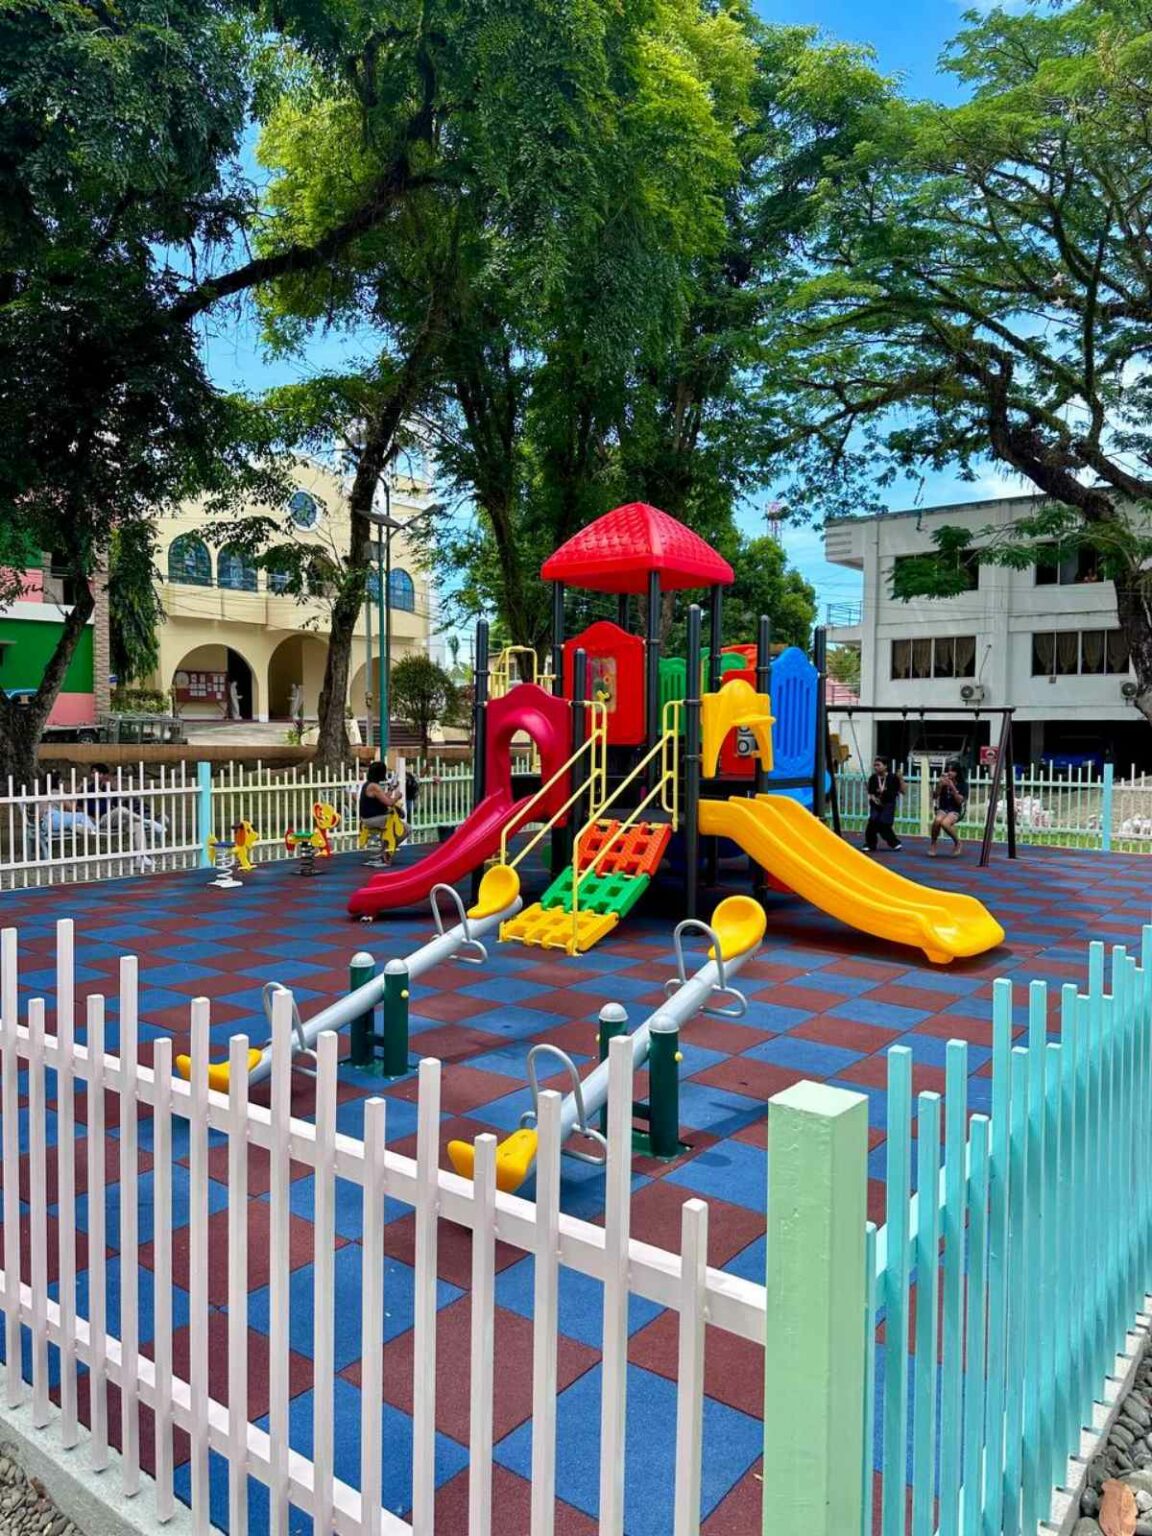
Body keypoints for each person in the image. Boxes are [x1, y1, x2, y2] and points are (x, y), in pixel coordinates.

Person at [83, 765, 168, 870]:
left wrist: (110, 790)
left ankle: (141, 857)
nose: (95, 775)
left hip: (115, 819)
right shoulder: (88, 788)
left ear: (104, 775)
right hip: (100, 820)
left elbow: (118, 802)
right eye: (93, 773)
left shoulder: (108, 788)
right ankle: (148, 822)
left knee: (136, 824)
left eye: (99, 773)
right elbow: (81, 807)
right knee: (121, 809)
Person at [359, 762, 408, 866]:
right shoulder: (374, 786)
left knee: (400, 827)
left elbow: (383, 798)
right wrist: (397, 797)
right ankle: (386, 852)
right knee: (405, 829)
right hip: (371, 819)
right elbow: (389, 802)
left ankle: (384, 851)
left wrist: (391, 789)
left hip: (371, 818)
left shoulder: (369, 784)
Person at [863, 757, 904, 853]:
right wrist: (875, 800)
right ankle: (870, 844)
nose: (876, 767)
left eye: (878, 765)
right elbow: (871, 793)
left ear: (885, 766)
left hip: (888, 804)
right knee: (872, 821)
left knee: (884, 823)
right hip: (876, 804)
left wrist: (901, 779)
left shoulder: (893, 778)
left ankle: (894, 842)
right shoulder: (873, 778)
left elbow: (901, 791)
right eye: (875, 765)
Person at [930, 764, 967, 856]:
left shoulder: (963, 785)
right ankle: (933, 843)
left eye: (952, 771)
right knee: (937, 821)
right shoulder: (943, 783)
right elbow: (935, 796)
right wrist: (939, 785)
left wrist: (952, 787)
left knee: (945, 823)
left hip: (955, 809)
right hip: (943, 808)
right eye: (948, 771)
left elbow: (959, 801)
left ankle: (958, 843)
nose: (949, 773)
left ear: (957, 773)